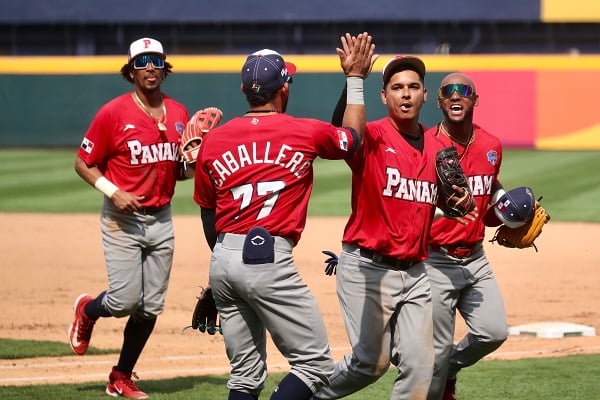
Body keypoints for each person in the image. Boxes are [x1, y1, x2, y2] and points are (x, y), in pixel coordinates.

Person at [192, 33, 376, 400]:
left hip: (224, 258)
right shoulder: (303, 132)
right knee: (315, 365)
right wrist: (354, 79)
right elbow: (352, 138)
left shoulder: (214, 140)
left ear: (245, 90)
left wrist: (221, 276)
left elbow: (208, 215)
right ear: (284, 89)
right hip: (268, 258)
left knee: (244, 376)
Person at [314, 54, 464, 400]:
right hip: (367, 268)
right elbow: (346, 133)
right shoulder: (372, 137)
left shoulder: (441, 148)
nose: (406, 94)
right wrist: (354, 79)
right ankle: (309, 394)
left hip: (415, 272)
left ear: (425, 94)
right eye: (397, 88)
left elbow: (441, 198)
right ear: (384, 96)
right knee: (371, 363)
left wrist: (455, 206)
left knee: (422, 364)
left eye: (413, 87)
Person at [68, 37, 192, 399]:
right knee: (123, 301)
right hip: (123, 219)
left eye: (155, 60)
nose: (150, 67)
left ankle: (120, 376)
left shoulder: (180, 113)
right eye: (142, 62)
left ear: (164, 67)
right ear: (131, 70)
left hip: (162, 217)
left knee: (151, 306)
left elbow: (178, 172)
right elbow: (82, 162)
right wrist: (113, 191)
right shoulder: (113, 113)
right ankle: (88, 309)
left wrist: (194, 164)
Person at [424, 73, 508, 400]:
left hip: (475, 258)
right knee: (435, 351)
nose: (456, 96)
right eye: (449, 92)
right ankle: (440, 380)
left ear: (475, 100)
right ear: (440, 101)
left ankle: (449, 368)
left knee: (493, 332)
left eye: (464, 91)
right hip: (435, 260)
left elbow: (488, 203)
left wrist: (510, 215)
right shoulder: (427, 144)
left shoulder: (491, 146)